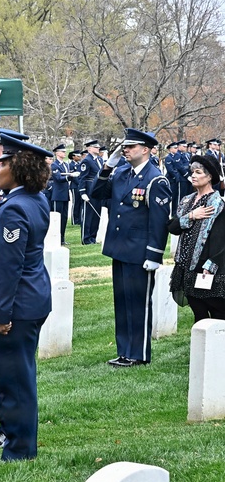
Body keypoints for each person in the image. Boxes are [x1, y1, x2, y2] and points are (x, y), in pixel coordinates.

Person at [0, 134, 53, 461]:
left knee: (16, 379)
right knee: (11, 375)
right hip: (23, 300)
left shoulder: (16, 208)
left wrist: (1, 313)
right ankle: (13, 438)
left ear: (17, 168)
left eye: (3, 162)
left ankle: (20, 449)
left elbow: (8, 267)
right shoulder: (23, 200)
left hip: (15, 305)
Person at [90, 128, 172, 367]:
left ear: (146, 150)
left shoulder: (156, 179)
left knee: (138, 304)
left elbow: (159, 222)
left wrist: (154, 254)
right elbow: (97, 193)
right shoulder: (122, 172)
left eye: (131, 147)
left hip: (140, 251)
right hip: (120, 248)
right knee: (123, 302)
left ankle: (139, 353)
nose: (125, 150)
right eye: (124, 147)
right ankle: (124, 351)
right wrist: (107, 168)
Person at [169, 155, 225, 321]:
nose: (193, 175)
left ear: (209, 177)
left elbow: (220, 239)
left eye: (198, 172)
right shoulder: (187, 201)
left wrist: (210, 265)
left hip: (206, 267)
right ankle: (200, 346)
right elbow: (173, 227)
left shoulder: (217, 203)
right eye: (192, 172)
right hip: (186, 266)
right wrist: (192, 215)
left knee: (217, 312)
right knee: (198, 312)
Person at [47, 144, 76, 245]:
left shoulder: (66, 165)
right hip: (57, 194)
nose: (64, 153)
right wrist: (70, 176)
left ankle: (62, 239)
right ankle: (54, 238)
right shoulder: (54, 165)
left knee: (63, 218)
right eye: (62, 151)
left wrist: (73, 175)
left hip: (65, 194)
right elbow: (58, 178)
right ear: (57, 153)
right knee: (56, 218)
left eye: (64, 151)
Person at [79, 140, 103, 244]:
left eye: (98, 147)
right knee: (88, 215)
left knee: (96, 215)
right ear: (89, 149)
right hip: (89, 189)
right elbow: (82, 177)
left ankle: (93, 236)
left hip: (97, 189)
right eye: (95, 147)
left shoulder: (99, 160)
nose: (98, 149)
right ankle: (86, 238)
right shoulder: (86, 161)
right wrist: (82, 192)